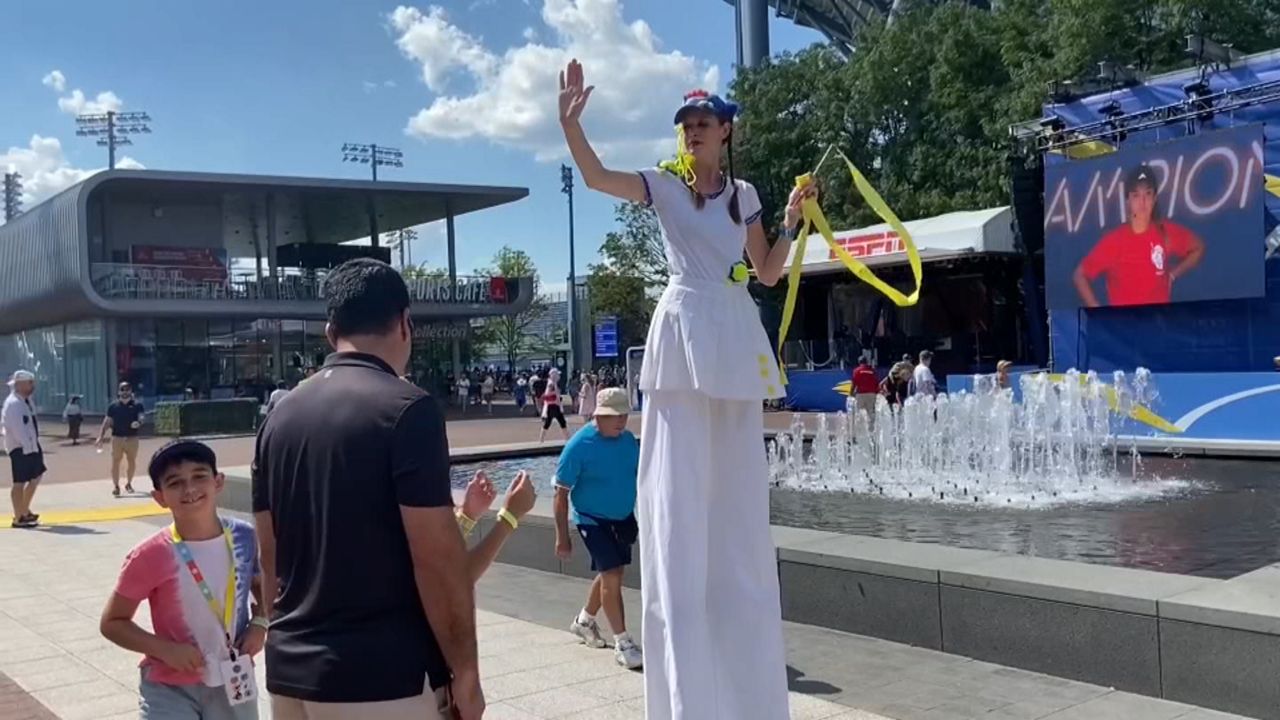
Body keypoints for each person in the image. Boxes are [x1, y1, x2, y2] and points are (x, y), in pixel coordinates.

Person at [560, 61, 807, 718]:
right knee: (675, 504)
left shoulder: (745, 194)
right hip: (684, 331)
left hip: (730, 329)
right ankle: (683, 689)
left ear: (726, 129)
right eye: (688, 123)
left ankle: (743, 685)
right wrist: (570, 126)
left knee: (738, 507)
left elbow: (769, 270)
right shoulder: (665, 187)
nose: (694, 130)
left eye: (705, 121)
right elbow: (595, 177)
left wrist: (792, 218)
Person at [252, 259, 483, 719]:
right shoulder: (407, 408)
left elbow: (269, 552)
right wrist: (466, 670)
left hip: (290, 669)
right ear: (404, 323)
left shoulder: (279, 417)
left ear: (330, 330)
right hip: (382, 675)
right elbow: (435, 558)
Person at [99, 440, 266, 720]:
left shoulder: (244, 537)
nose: (189, 489)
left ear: (218, 482)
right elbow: (112, 622)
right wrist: (164, 649)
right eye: (175, 483)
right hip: (169, 685)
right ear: (160, 496)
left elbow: (262, 586)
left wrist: (260, 622)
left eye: (199, 476)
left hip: (233, 677)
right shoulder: (150, 554)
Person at [555, 387, 642, 669]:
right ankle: (623, 642)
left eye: (625, 415)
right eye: (614, 415)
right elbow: (560, 493)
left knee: (611, 574)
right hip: (591, 519)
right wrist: (562, 537)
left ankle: (584, 621)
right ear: (598, 416)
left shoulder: (628, 441)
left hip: (622, 518)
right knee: (612, 574)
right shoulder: (578, 446)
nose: (621, 421)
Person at [1073, 164, 1206, 308]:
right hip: (1124, 326)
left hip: (1158, 324)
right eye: (1136, 195)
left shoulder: (1165, 232)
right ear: (1128, 200)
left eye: (1148, 194)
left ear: (1154, 198)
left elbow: (1198, 247)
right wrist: (1096, 308)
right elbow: (1080, 274)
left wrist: (1173, 275)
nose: (1142, 202)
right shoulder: (1114, 241)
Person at [4, 370, 44, 529]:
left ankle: (24, 510)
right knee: (19, 482)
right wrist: (28, 447)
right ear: (19, 385)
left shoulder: (26, 401)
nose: (32, 386)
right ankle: (18, 517)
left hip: (31, 445)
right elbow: (17, 428)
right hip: (20, 448)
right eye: (29, 383)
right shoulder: (13, 404)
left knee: (36, 477)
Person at [97, 381, 146, 497]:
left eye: (127, 390)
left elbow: (142, 418)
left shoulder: (138, 405)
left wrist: (139, 423)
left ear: (131, 391)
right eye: (122, 390)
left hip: (132, 438)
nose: (125, 392)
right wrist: (101, 436)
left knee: (132, 462)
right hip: (117, 438)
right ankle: (116, 486)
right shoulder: (113, 407)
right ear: (119, 392)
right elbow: (107, 422)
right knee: (115, 462)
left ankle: (129, 483)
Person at [539, 368, 569, 443]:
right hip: (553, 406)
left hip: (554, 406)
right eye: (557, 374)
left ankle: (541, 439)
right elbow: (547, 395)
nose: (559, 376)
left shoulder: (553, 383)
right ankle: (567, 439)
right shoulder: (551, 384)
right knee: (555, 422)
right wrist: (556, 394)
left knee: (557, 422)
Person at [851, 356, 879, 428]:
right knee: (871, 414)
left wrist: (851, 393)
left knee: (860, 413)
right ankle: (871, 431)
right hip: (871, 394)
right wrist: (876, 392)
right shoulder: (872, 370)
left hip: (860, 394)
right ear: (867, 362)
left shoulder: (856, 370)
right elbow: (876, 383)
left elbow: (854, 383)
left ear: (859, 362)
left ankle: (861, 430)